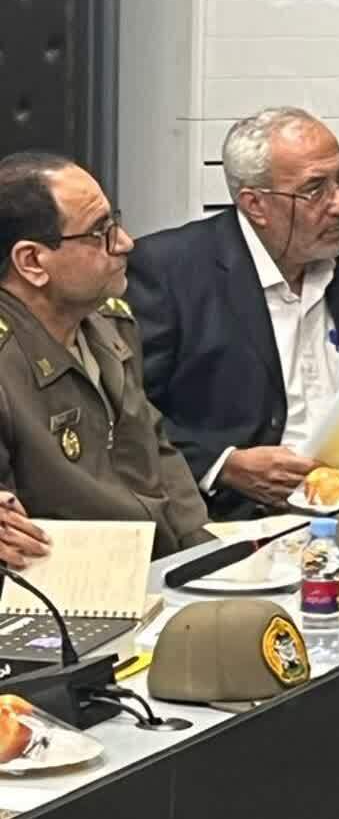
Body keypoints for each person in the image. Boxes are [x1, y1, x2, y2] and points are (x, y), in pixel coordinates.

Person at [127, 108, 339, 518]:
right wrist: (222, 465)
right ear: (255, 204)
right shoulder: (168, 270)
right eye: (315, 189)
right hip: (230, 517)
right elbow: (126, 418)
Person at [0, 152, 211, 563]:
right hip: (69, 580)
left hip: (158, 564)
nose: (126, 242)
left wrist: (205, 553)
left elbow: (154, 449)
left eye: (113, 223)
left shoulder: (110, 321)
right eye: (98, 233)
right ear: (32, 262)